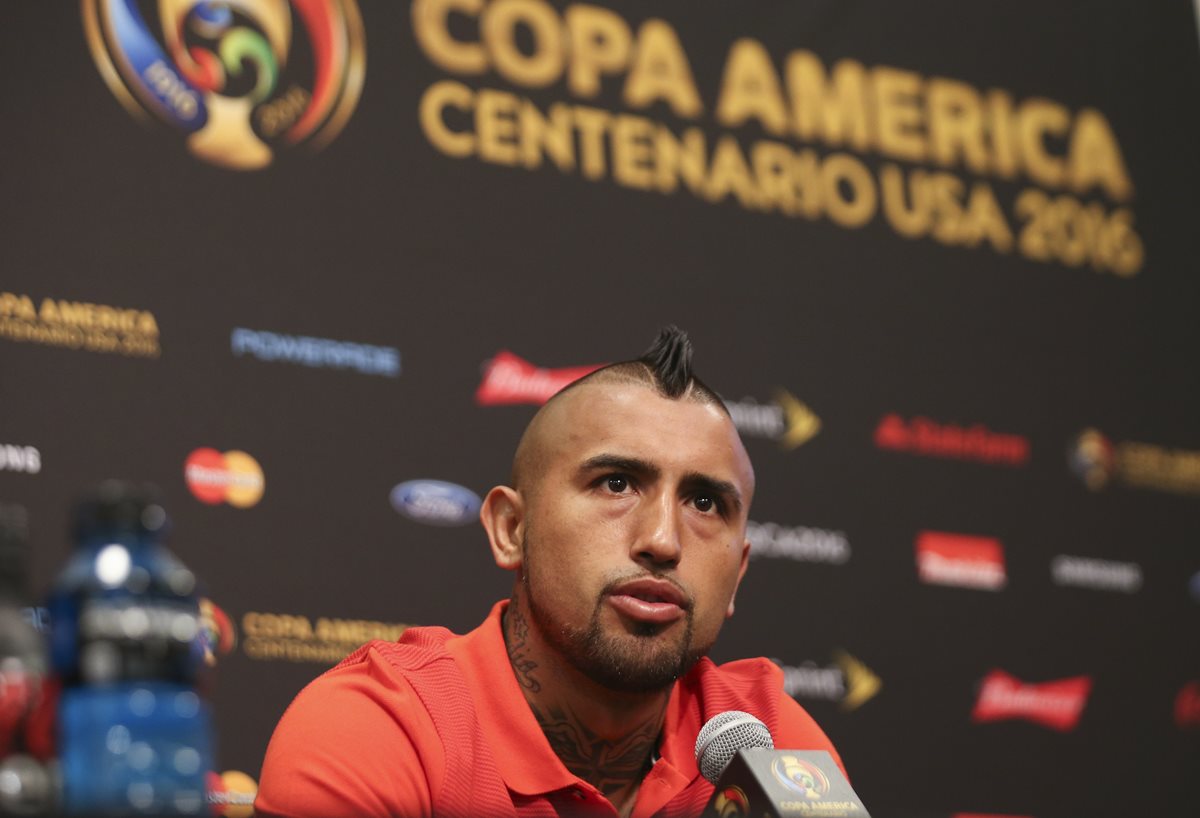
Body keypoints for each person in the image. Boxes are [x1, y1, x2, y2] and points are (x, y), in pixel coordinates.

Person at [255, 327, 843, 818]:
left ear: (738, 575)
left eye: (706, 504)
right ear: (512, 528)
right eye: (616, 484)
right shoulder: (383, 725)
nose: (662, 541)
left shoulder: (761, 739)